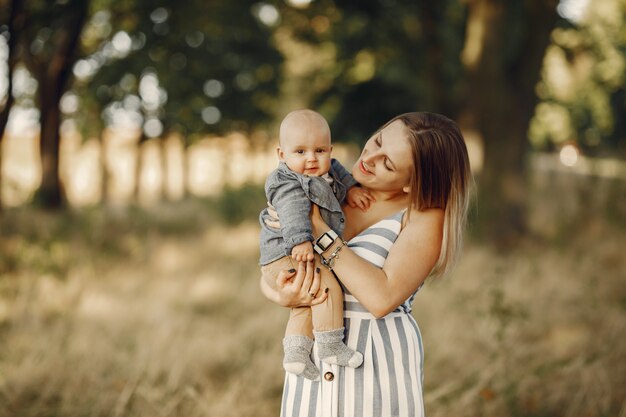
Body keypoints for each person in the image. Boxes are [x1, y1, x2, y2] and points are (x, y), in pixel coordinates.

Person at [260, 112, 471, 417]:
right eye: (378, 141)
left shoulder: (423, 216)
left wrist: (320, 231)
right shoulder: (326, 185)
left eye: (388, 163)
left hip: (374, 367)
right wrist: (280, 294)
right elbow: (272, 255)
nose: (370, 158)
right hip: (312, 365)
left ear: (414, 183)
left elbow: (382, 297)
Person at [259, 109, 375, 381]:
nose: (311, 158)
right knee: (325, 288)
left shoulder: (329, 166)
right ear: (282, 155)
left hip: (290, 254)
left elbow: (339, 172)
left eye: (319, 150)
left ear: (330, 150)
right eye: (300, 152)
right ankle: (331, 346)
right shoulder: (286, 181)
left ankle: (297, 355)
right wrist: (300, 240)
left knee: (305, 303)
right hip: (288, 252)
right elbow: (293, 209)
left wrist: (353, 188)